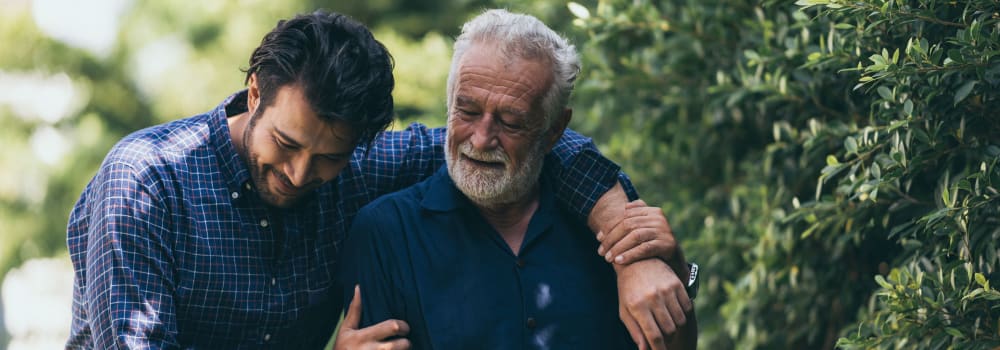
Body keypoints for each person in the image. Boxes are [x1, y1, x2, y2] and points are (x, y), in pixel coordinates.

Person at [65, 10, 687, 350]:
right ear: (254, 92)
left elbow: (540, 146)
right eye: (285, 143)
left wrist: (630, 246)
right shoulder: (145, 184)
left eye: (329, 158)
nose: (300, 174)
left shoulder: (356, 171)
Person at [339, 9, 697, 350]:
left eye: (510, 122)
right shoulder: (385, 232)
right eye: (467, 110)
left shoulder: (609, 215)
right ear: (449, 103)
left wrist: (674, 271)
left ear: (555, 129)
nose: (480, 139)